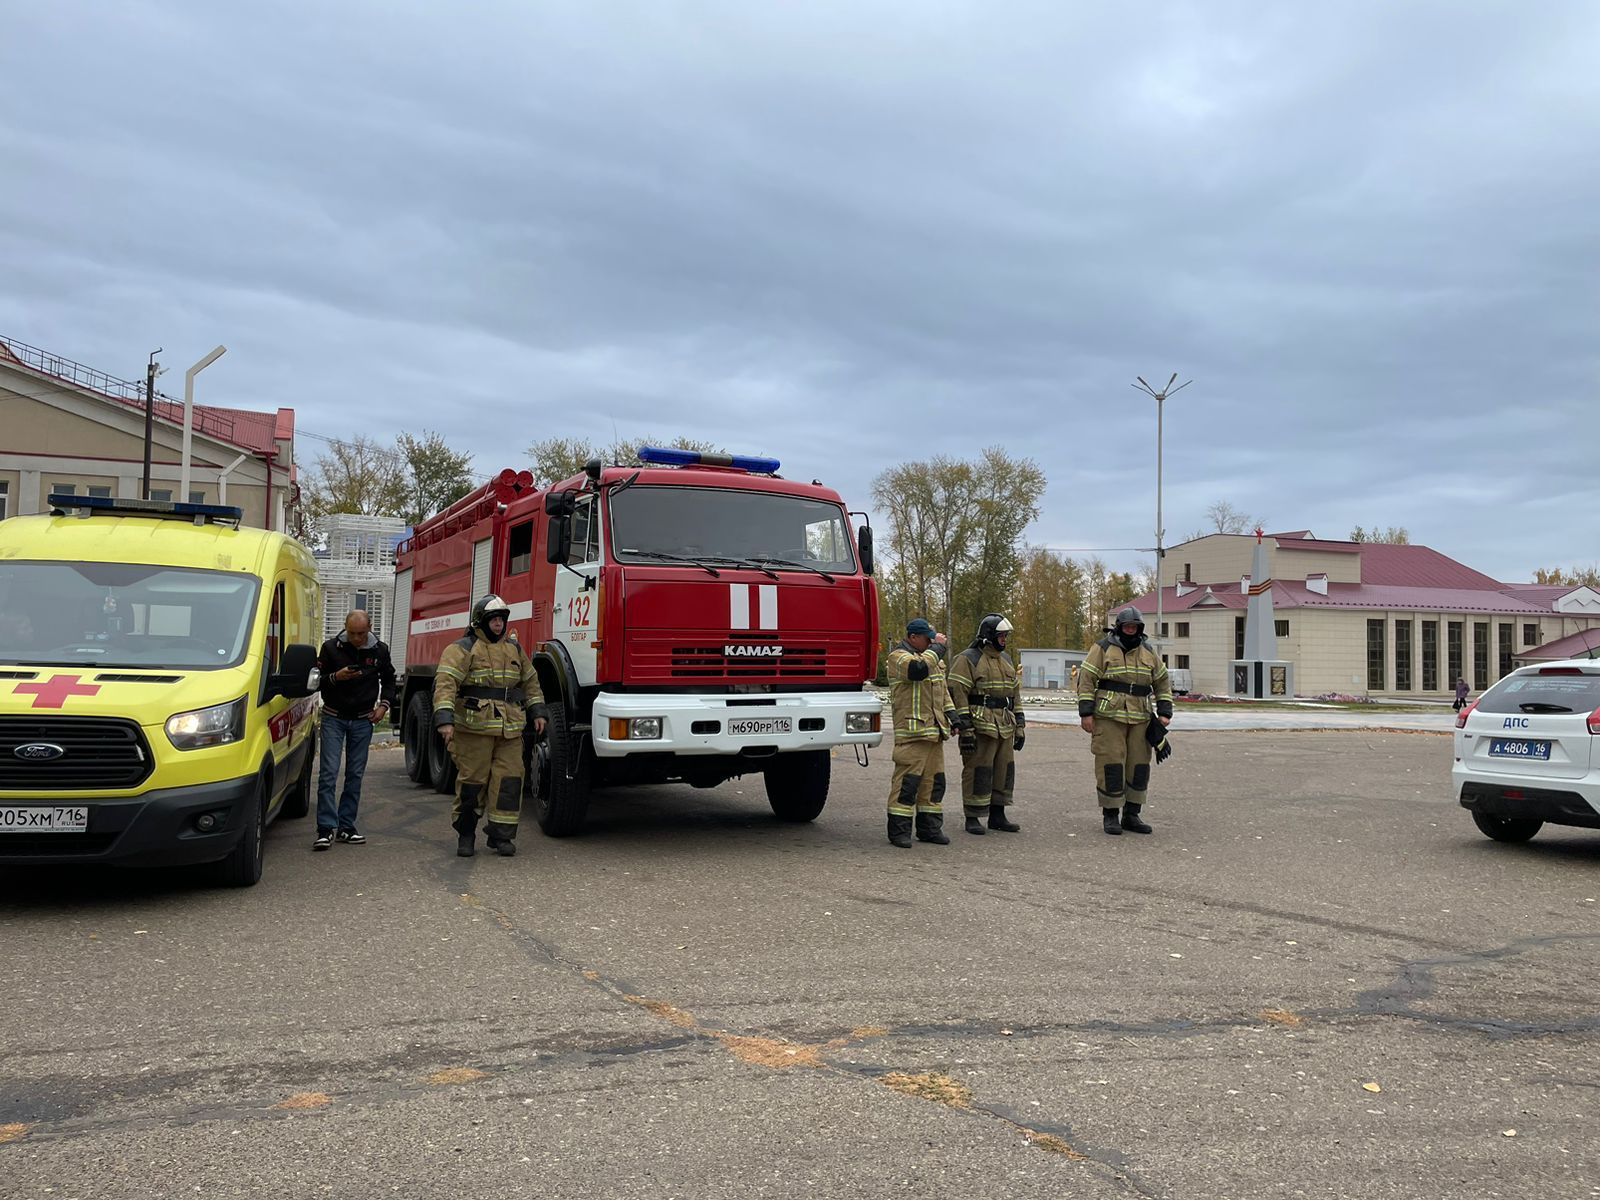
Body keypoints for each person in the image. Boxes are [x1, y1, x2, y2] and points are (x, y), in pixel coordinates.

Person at [434, 595, 547, 857]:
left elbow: (531, 682)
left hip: (509, 730)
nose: (498, 624)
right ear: (480, 621)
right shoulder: (461, 649)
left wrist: (538, 711)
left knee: (510, 781)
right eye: (493, 619)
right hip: (474, 730)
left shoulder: (515, 650)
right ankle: (466, 834)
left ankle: (501, 836)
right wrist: (444, 720)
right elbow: (446, 685)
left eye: (502, 620)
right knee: (473, 783)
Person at [1077, 605, 1173, 836]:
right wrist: (1086, 713)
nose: (1131, 630)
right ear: (1119, 627)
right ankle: (1111, 815)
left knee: (1139, 765)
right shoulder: (1102, 649)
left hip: (1140, 718)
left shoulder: (1148, 652)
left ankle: (1132, 814)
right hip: (1108, 717)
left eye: (1135, 627)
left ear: (1140, 629)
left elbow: (1162, 682)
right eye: (1127, 626)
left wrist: (1165, 711)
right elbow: (1087, 679)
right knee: (1111, 764)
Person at [313, 609, 397, 850]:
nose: (357, 639)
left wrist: (384, 706)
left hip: (363, 720)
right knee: (328, 773)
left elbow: (389, 680)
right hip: (333, 717)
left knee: (355, 775)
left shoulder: (380, 650)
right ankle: (325, 829)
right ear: (345, 628)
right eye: (352, 633)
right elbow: (316, 680)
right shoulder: (330, 648)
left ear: (369, 628)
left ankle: (346, 827)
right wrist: (336, 677)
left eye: (361, 633)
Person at [884, 617, 964, 849]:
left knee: (934, 783)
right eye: (927, 640)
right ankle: (899, 831)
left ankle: (929, 828)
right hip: (912, 733)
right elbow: (917, 671)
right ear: (912, 637)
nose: (930, 644)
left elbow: (943, 693)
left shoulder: (933, 661)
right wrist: (938, 647)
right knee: (907, 784)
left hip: (934, 732)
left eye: (932, 641)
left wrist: (954, 717)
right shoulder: (898, 657)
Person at [947, 613, 1024, 835]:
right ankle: (972, 817)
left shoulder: (1007, 660)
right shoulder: (967, 659)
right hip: (980, 726)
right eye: (1001, 635)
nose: (1005, 640)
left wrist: (1020, 726)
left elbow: (1015, 695)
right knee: (978, 770)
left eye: (1006, 636)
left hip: (1004, 726)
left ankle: (997, 816)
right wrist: (965, 729)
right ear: (989, 635)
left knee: (1004, 770)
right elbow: (957, 693)